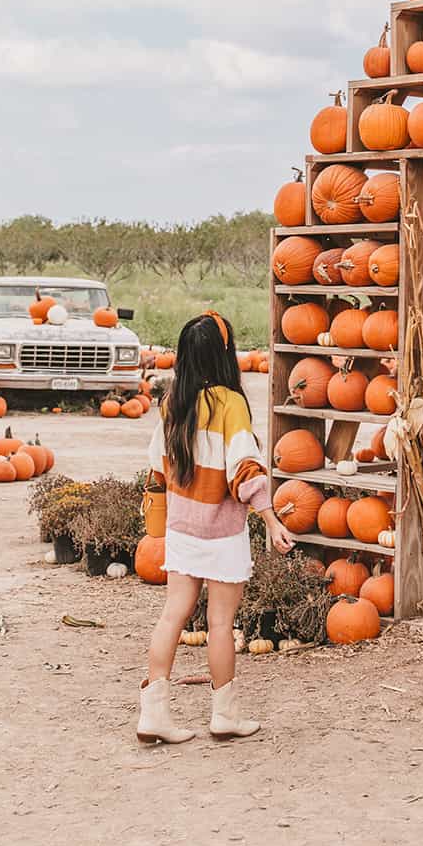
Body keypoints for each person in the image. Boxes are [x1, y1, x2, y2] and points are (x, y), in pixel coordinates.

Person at [136, 312, 294, 744]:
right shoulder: (230, 404)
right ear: (224, 356)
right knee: (220, 624)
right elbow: (244, 470)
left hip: (184, 530)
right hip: (222, 533)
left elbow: (156, 465)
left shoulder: (173, 402)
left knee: (173, 614)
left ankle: (154, 714)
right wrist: (271, 518)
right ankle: (224, 714)